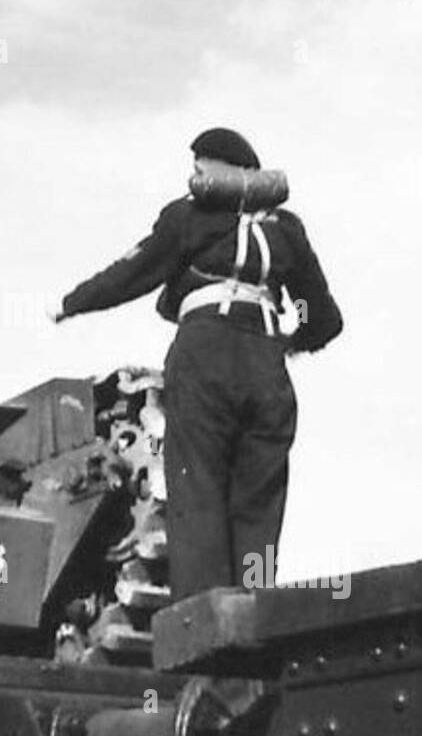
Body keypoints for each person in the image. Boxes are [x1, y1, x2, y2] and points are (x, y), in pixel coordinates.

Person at [52, 127, 343, 600]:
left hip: (204, 355)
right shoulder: (286, 229)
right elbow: (324, 317)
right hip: (267, 369)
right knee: (259, 502)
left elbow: (133, 272)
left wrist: (72, 302)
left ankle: (203, 618)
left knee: (198, 491)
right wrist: (293, 341)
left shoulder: (188, 216)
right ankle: (255, 605)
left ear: (211, 171)